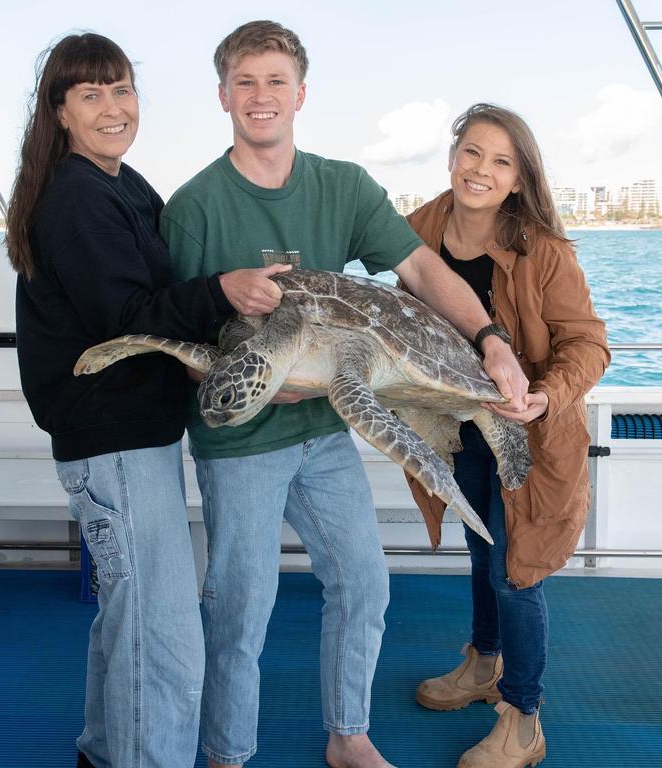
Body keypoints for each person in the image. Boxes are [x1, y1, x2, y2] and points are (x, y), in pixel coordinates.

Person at [160, 22, 529, 768]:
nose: (260, 96)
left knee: (364, 581)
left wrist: (491, 339)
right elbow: (176, 329)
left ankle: (348, 735)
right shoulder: (194, 206)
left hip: (327, 427)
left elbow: (423, 272)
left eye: (275, 81)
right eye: (245, 81)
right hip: (241, 443)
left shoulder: (343, 185)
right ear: (223, 93)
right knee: (240, 608)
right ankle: (228, 754)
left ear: (301, 93)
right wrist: (263, 384)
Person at [6, 32, 291, 768]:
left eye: (122, 89)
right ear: (60, 112)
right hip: (113, 444)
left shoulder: (123, 185)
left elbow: (156, 300)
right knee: (163, 638)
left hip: (136, 438)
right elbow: (129, 317)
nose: (113, 108)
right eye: (91, 94)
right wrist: (223, 289)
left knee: (127, 621)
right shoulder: (75, 197)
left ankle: (104, 753)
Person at [405, 103, 610, 768]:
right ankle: (483, 664)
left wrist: (547, 395)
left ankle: (522, 717)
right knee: (480, 548)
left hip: (532, 438)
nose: (481, 170)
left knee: (515, 575)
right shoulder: (415, 230)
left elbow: (589, 342)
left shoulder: (544, 254)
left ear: (519, 179)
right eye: (472, 152)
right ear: (452, 156)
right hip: (457, 431)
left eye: (500, 161)